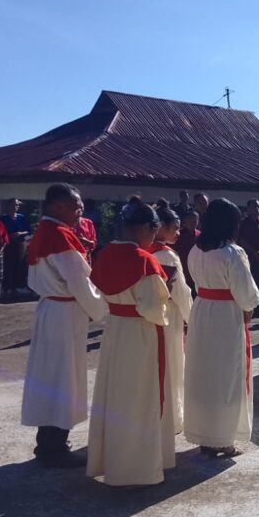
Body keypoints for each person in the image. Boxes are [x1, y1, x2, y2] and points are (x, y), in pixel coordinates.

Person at [87, 197, 175, 486]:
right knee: (139, 398)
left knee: (115, 395)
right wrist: (167, 296)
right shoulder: (144, 260)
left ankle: (112, 460)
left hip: (115, 329)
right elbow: (152, 308)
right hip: (140, 334)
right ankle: (137, 468)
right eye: (154, 231)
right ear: (146, 228)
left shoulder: (105, 254)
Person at [21, 184, 107, 467]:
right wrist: (104, 310)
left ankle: (48, 442)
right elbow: (79, 282)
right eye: (76, 206)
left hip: (52, 309)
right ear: (58, 206)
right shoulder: (60, 236)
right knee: (63, 376)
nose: (80, 211)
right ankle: (55, 447)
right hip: (65, 313)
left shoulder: (45, 231)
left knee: (51, 375)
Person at [184, 198, 259, 458]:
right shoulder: (233, 253)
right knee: (227, 376)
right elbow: (245, 293)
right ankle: (223, 439)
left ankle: (205, 436)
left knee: (204, 374)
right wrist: (248, 309)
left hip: (202, 311)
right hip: (225, 316)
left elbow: (196, 283)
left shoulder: (196, 250)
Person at [151, 199, 193, 433]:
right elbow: (181, 291)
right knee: (172, 364)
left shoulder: (143, 250)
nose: (178, 233)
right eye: (174, 228)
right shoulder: (167, 256)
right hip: (168, 315)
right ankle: (171, 417)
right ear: (160, 227)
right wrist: (191, 317)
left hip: (148, 314)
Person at [237, 199, 259, 314]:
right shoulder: (243, 224)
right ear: (248, 209)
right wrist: (254, 252)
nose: (256, 209)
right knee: (247, 285)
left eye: (258, 206)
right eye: (253, 207)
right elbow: (241, 240)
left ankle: (258, 309)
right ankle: (246, 309)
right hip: (248, 260)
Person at [0, 198, 31, 298]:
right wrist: (10, 235)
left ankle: (17, 287)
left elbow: (28, 230)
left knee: (20, 265)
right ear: (8, 206)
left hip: (20, 245)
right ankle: (6, 287)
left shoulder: (21, 218)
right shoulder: (3, 219)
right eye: (13, 205)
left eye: (17, 205)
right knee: (8, 266)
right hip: (8, 245)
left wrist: (20, 233)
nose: (15, 207)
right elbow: (0, 232)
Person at [174, 210, 200, 296]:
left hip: (196, 271)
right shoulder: (178, 235)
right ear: (185, 221)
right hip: (183, 269)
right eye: (190, 221)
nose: (192, 224)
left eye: (195, 221)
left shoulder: (200, 235)